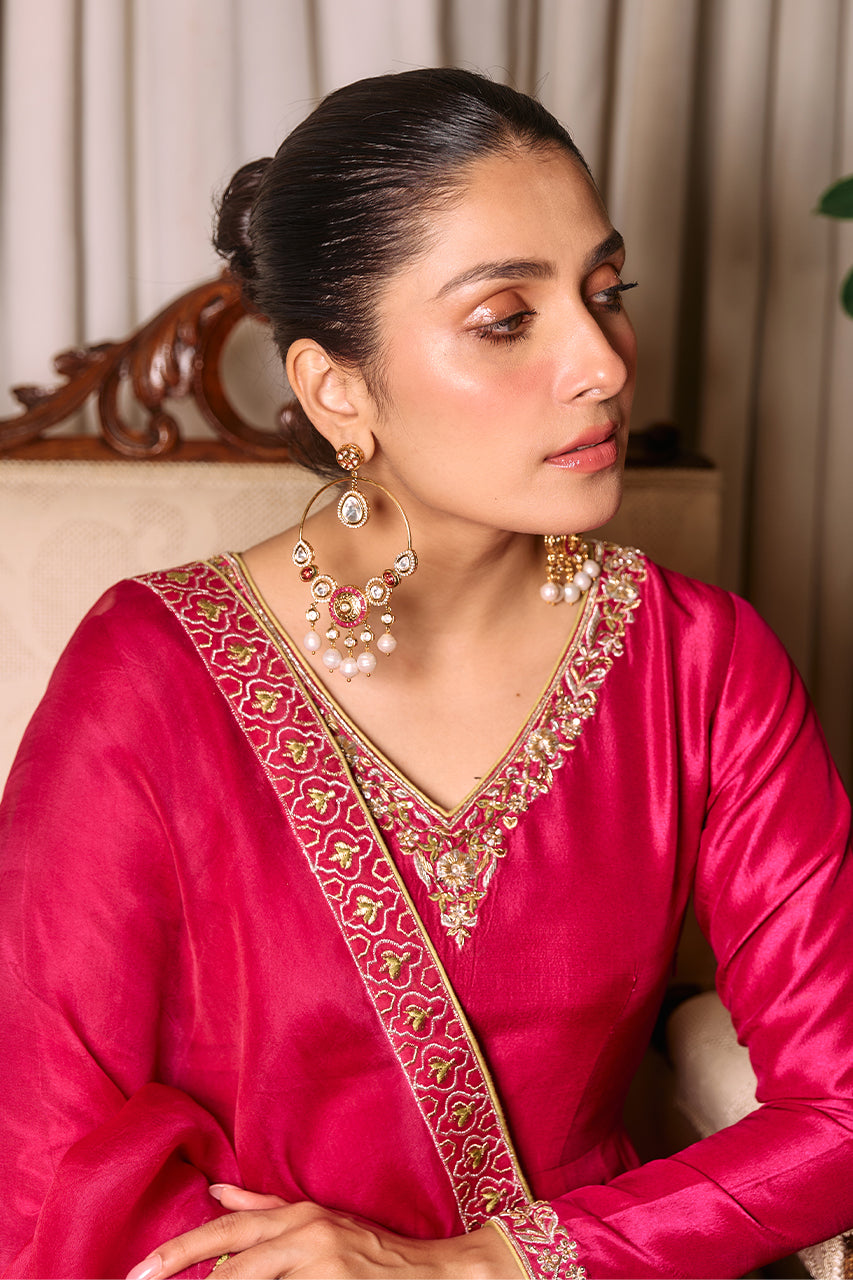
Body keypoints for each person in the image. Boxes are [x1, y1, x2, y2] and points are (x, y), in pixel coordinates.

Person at [0, 66, 851, 1280]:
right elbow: (38, 1148)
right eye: (506, 317)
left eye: (605, 291)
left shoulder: (700, 664)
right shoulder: (151, 676)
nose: (604, 363)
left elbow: (839, 1109)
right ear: (338, 389)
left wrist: (484, 1261)